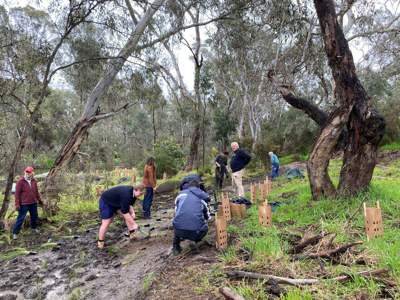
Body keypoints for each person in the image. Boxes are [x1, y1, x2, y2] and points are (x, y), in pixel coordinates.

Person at [172, 178, 210, 255]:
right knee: (205, 226)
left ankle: (176, 246)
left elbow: (177, 212)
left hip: (179, 231)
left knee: (178, 221)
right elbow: (208, 217)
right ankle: (195, 240)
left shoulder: (180, 195)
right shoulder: (201, 198)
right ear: (198, 188)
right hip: (195, 232)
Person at [97, 184, 143, 249]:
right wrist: (134, 224)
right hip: (106, 202)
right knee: (107, 222)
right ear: (136, 190)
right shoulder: (126, 195)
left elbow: (129, 205)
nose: (141, 195)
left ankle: (132, 234)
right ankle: (100, 243)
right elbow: (125, 212)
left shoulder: (133, 194)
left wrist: (132, 213)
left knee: (129, 216)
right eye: (141, 193)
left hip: (117, 201)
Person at [13, 167, 43, 240]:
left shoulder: (34, 181)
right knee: (21, 218)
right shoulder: (20, 181)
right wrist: (17, 204)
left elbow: (36, 192)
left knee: (34, 216)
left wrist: (39, 200)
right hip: (24, 204)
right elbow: (17, 194)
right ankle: (15, 233)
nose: (27, 173)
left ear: (32, 173)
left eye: (29, 172)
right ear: (24, 172)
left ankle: (34, 228)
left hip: (33, 202)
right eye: (26, 172)